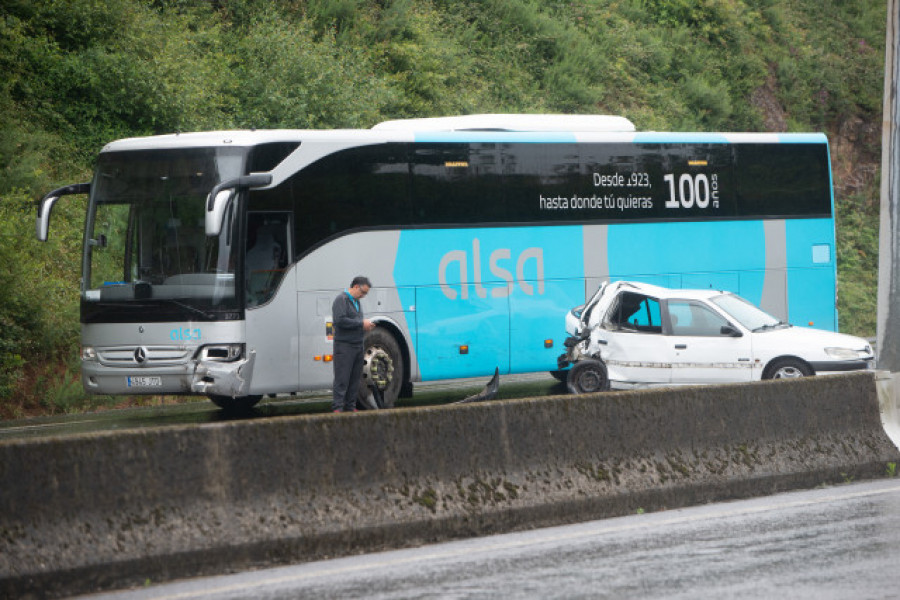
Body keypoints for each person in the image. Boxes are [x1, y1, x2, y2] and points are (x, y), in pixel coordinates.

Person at [331, 276, 376, 412]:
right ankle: (337, 408)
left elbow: (354, 322)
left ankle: (350, 406)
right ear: (356, 286)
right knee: (342, 378)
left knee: (354, 379)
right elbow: (340, 321)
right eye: (363, 292)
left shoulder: (356, 302)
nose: (363, 296)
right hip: (344, 346)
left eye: (365, 294)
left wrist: (365, 326)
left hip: (357, 345)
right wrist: (361, 323)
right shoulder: (341, 300)